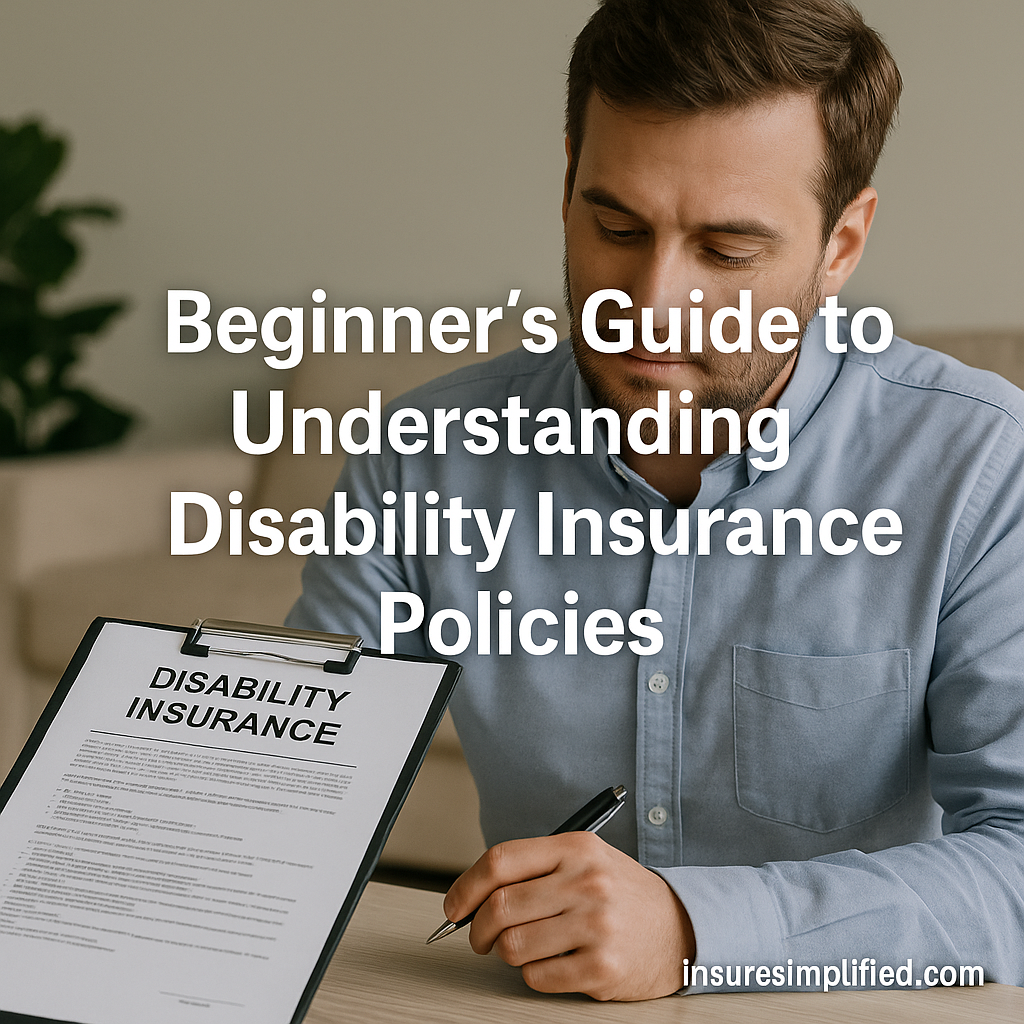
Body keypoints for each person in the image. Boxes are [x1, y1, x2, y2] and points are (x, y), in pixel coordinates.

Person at [288, 0, 1024, 1000]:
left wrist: (692, 928)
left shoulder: (981, 464)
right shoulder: (424, 457)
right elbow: (294, 783)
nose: (649, 301)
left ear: (842, 244)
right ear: (564, 187)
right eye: (616, 226)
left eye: (726, 251)